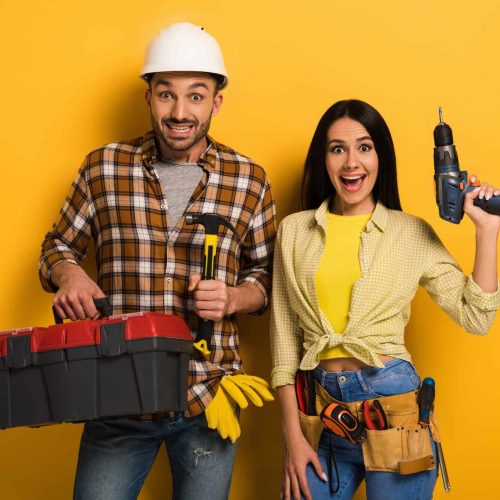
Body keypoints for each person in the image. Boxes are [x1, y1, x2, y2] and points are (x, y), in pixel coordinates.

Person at [39, 22, 276, 500]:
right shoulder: (103, 166)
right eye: (166, 94)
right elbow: (55, 248)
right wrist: (70, 274)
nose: (180, 112)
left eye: (196, 95)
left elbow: (266, 279)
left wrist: (233, 296)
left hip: (207, 396)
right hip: (117, 393)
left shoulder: (249, 179)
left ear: (216, 102)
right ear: (148, 97)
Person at [270, 99, 500, 500]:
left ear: (381, 157)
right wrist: (292, 436)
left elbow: (476, 318)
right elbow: (285, 342)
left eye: (364, 147)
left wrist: (487, 231)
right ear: (322, 159)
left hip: (394, 410)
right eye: (337, 149)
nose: (351, 163)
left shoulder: (410, 233)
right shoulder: (294, 231)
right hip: (320, 415)